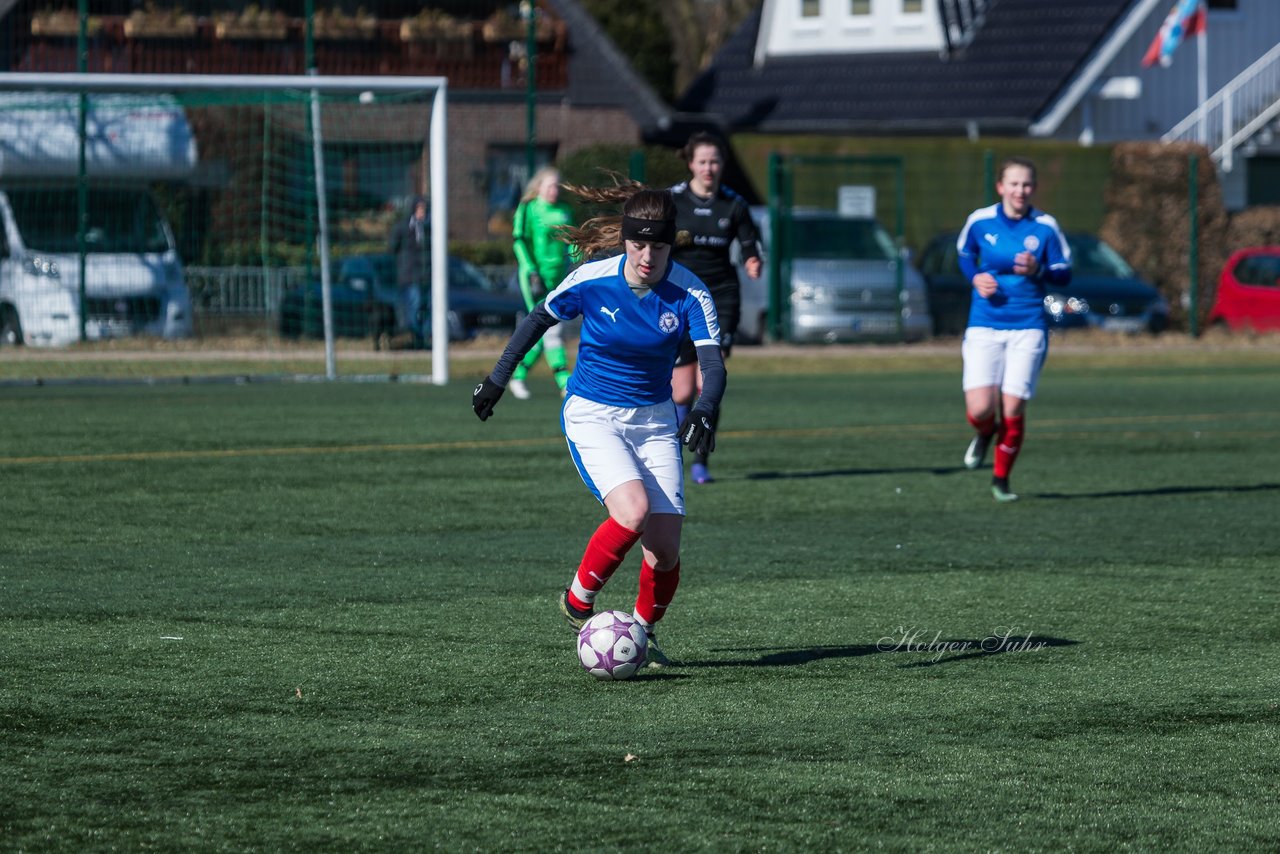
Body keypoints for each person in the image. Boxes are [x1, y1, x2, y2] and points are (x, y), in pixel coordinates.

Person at [472, 181, 724, 667]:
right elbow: (536, 320)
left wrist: (706, 408)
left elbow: (713, 364)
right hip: (593, 413)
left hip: (653, 420)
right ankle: (577, 601)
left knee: (665, 550)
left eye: (658, 245)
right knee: (631, 512)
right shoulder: (593, 277)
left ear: (672, 241)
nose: (647, 256)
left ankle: (641, 637)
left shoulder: (691, 292)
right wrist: (496, 379)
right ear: (625, 240)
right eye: (638, 244)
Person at [956, 157, 1071, 502]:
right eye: (1014, 184)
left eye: (1027, 185)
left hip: (1028, 327)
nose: (1021, 191)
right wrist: (974, 277)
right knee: (979, 409)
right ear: (1001, 187)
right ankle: (985, 432)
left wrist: (1039, 269)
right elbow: (964, 254)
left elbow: (1064, 273)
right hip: (984, 325)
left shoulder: (1045, 227)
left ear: (1033, 188)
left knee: (1013, 407)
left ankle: (1001, 480)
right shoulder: (980, 221)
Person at [669, 132, 762, 484]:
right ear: (691, 163)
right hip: (679, 299)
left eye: (715, 161)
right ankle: (673, 448)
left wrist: (753, 260)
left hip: (720, 298)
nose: (710, 167)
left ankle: (701, 460)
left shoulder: (733, 204)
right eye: (703, 161)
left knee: (709, 383)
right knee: (680, 391)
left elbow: (751, 243)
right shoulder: (673, 201)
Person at [507, 166, 574, 400]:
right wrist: (531, 269)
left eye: (557, 186)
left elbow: (571, 243)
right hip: (534, 278)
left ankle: (517, 376)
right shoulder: (529, 208)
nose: (554, 190)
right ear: (539, 187)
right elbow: (519, 240)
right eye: (550, 185)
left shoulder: (565, 211)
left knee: (543, 331)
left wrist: (580, 261)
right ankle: (565, 383)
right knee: (552, 329)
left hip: (559, 279)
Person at [388, 195, 430, 348]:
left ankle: (422, 337)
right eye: (420, 209)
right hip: (409, 277)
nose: (423, 212)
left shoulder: (428, 227)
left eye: (424, 209)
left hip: (425, 278)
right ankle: (416, 338)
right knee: (414, 305)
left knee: (427, 309)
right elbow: (392, 246)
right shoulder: (403, 227)